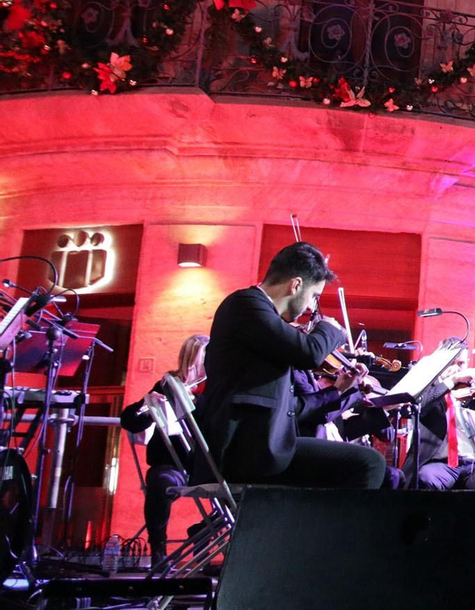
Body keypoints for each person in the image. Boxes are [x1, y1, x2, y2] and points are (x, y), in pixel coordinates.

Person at [195, 242, 385, 488]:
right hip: (245, 450)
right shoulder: (246, 304)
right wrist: (330, 328)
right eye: (314, 297)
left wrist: (337, 389)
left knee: (363, 463)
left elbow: (292, 407)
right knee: (368, 464)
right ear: (296, 285)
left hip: (262, 445)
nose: (310, 308)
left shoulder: (265, 324)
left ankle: (308, 526)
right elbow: (310, 353)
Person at [118, 333, 207, 566]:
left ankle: (203, 530)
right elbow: (129, 419)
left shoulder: (215, 389)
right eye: (200, 361)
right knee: (159, 482)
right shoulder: (169, 384)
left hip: (205, 464)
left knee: (244, 490)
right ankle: (158, 549)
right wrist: (148, 407)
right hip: (172, 464)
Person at [410, 356, 475, 491]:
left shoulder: (474, 391)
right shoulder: (429, 390)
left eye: (461, 363)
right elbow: (422, 406)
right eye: (451, 362)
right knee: (426, 478)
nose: (456, 367)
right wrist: (453, 380)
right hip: (440, 465)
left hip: (473, 464)